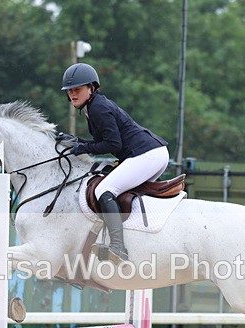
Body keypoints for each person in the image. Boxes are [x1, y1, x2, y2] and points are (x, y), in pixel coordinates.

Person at [57, 63, 169, 264]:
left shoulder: (98, 108)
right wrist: (77, 141)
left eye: (77, 89)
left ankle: (118, 247)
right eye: (70, 91)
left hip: (147, 154)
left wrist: (83, 148)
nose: (73, 94)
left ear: (91, 87)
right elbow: (104, 142)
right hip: (151, 153)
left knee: (104, 190)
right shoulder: (94, 106)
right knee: (120, 192)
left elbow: (112, 143)